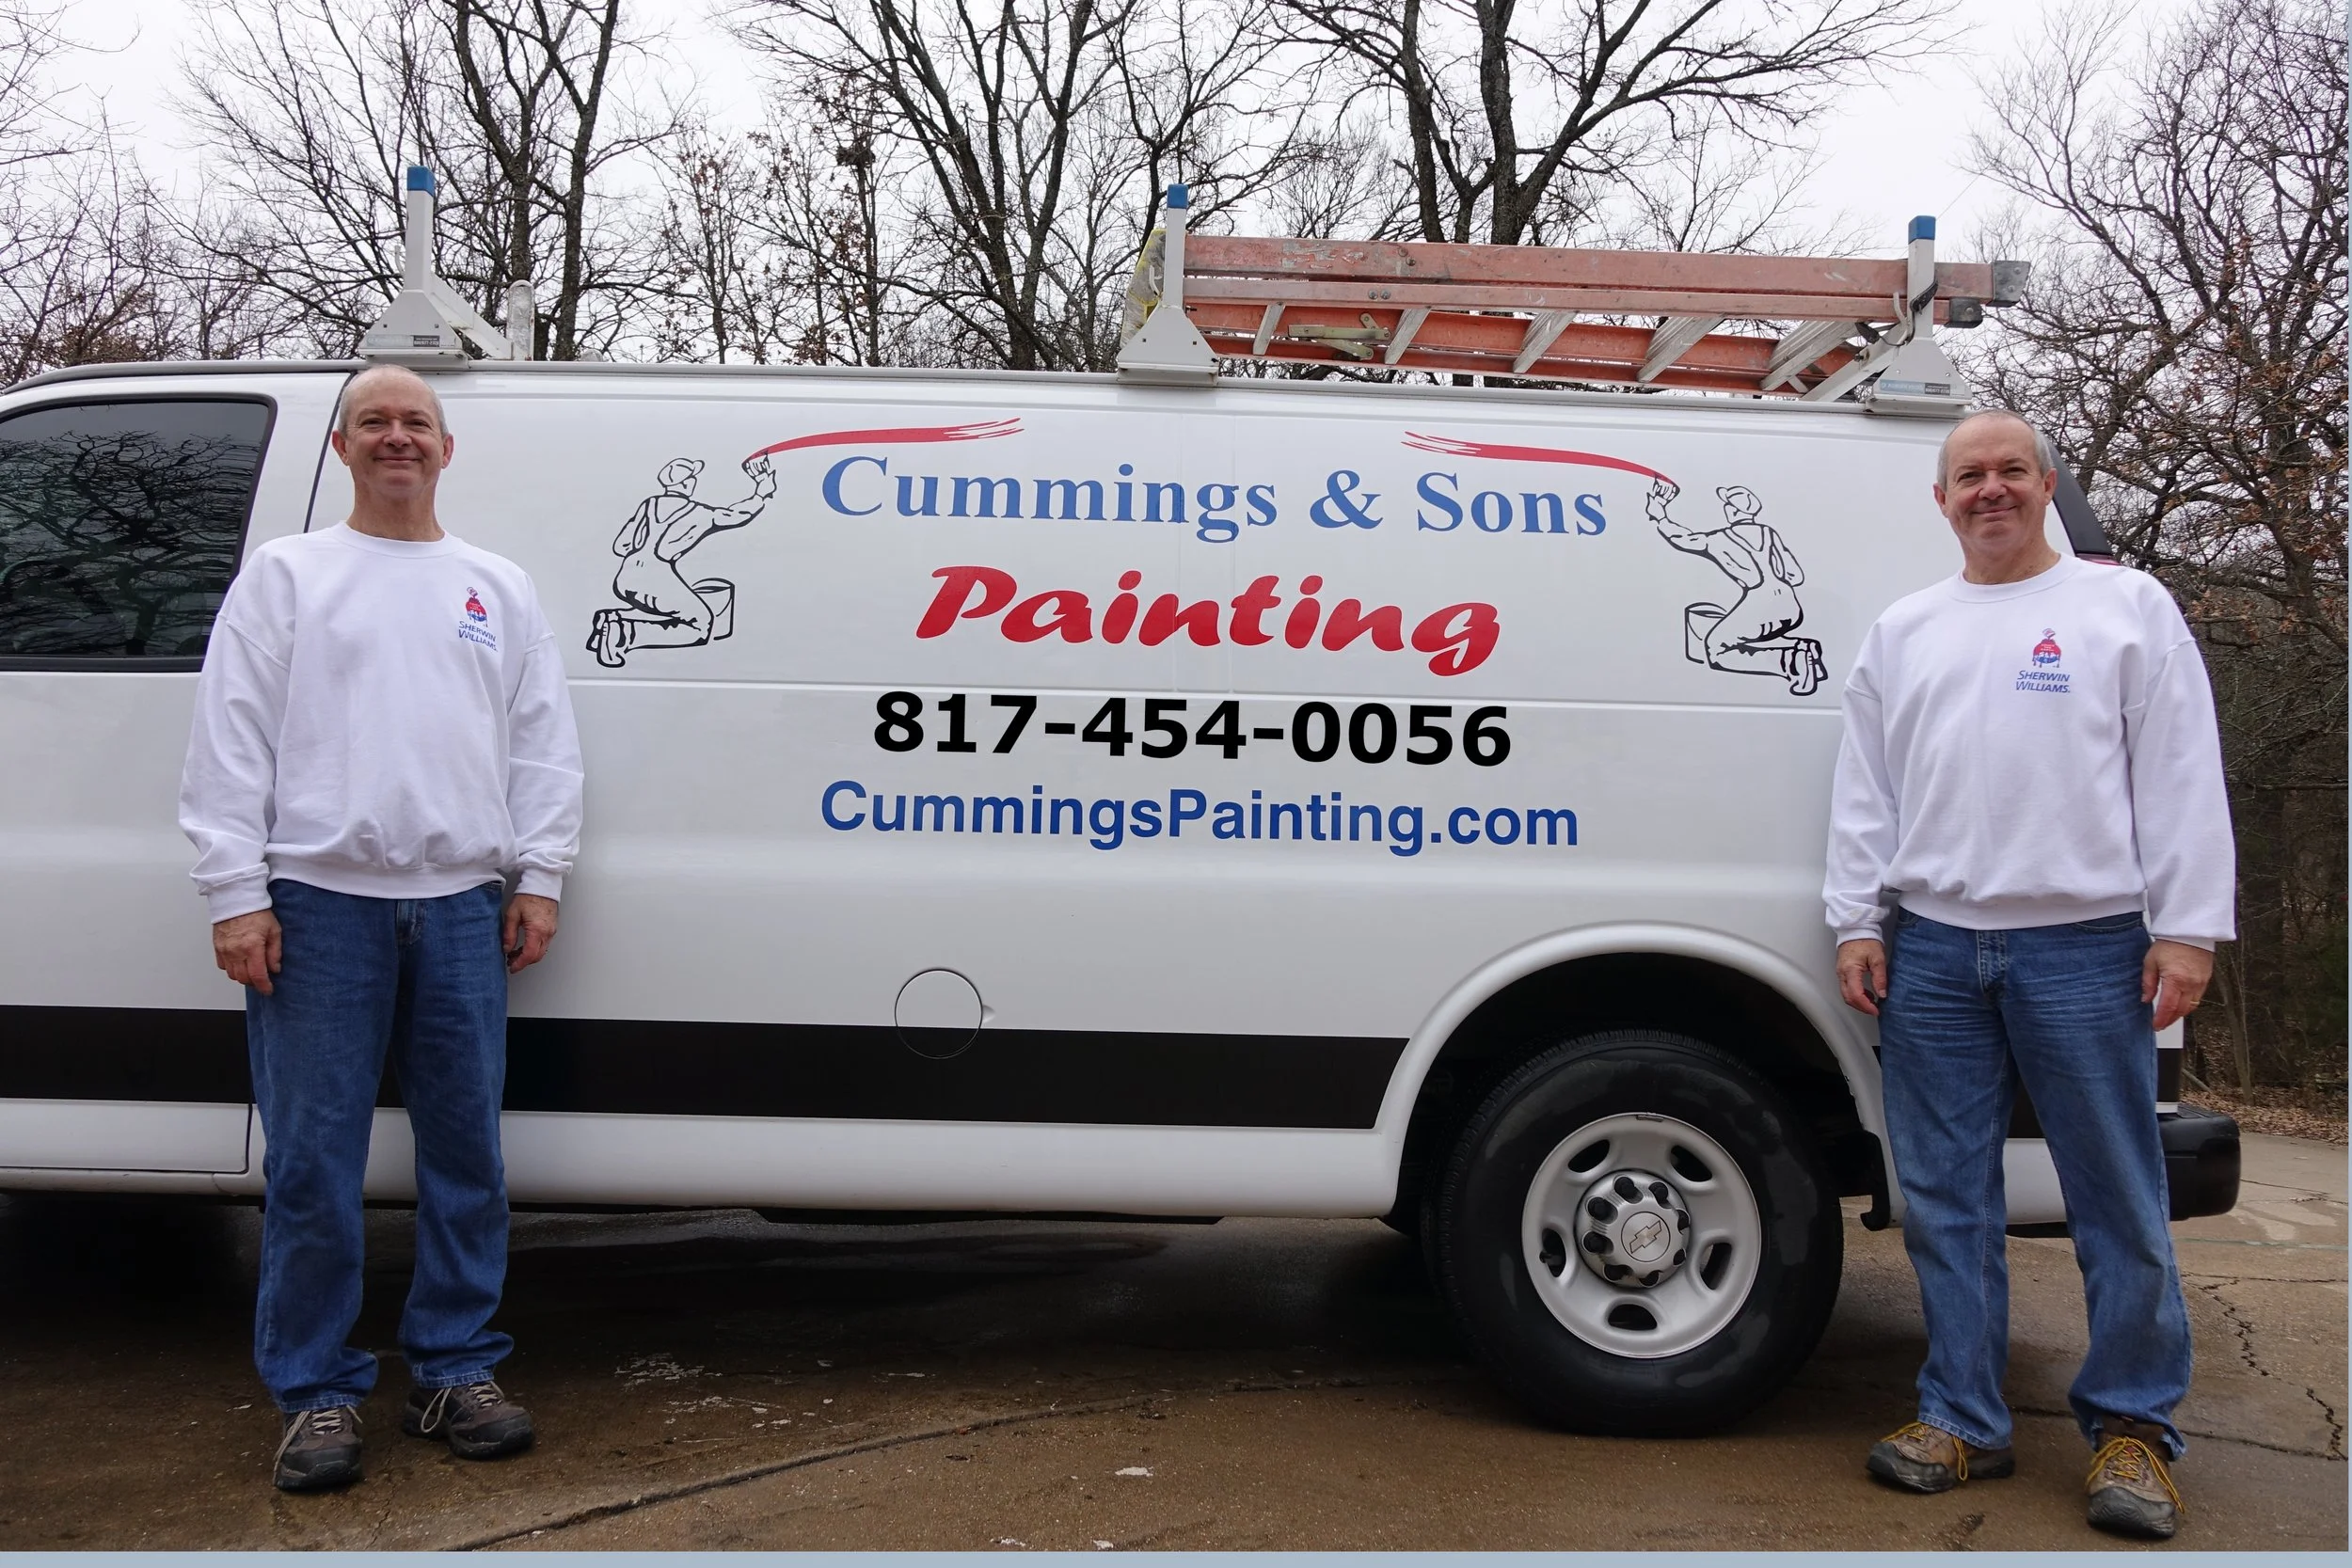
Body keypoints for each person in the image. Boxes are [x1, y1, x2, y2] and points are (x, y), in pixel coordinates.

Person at [1824, 409, 2233, 1539]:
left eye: (2010, 469)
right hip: (1935, 948)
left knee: (2116, 1195)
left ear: (2047, 483)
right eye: (1969, 475)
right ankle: (1962, 1415)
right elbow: (1867, 791)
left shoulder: (2123, 608)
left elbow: (2181, 768)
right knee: (1949, 1199)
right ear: (1941, 499)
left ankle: (2133, 1431)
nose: (1990, 489)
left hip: (2089, 944)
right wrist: (1857, 918)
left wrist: (2188, 926)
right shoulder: (1906, 629)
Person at [180, 364, 585, 1492]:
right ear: (341, 447)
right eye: (375, 422)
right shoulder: (290, 576)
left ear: (445, 448)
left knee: (469, 1159)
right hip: (315, 909)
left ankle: (457, 1366)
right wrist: (235, 892)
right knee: (312, 1164)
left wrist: (539, 873)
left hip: (461, 906)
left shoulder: (491, 585)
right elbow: (231, 739)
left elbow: (541, 741)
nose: (396, 437)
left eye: (416, 422)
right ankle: (316, 1391)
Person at [585, 452, 775, 668]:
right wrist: (761, 494)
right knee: (701, 625)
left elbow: (621, 546)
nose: (694, 481)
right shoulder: (699, 512)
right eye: (692, 477)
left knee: (660, 609)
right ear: (685, 484)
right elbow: (737, 515)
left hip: (626, 577)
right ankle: (627, 634)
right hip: (657, 576)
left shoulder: (649, 505)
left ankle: (611, 618)